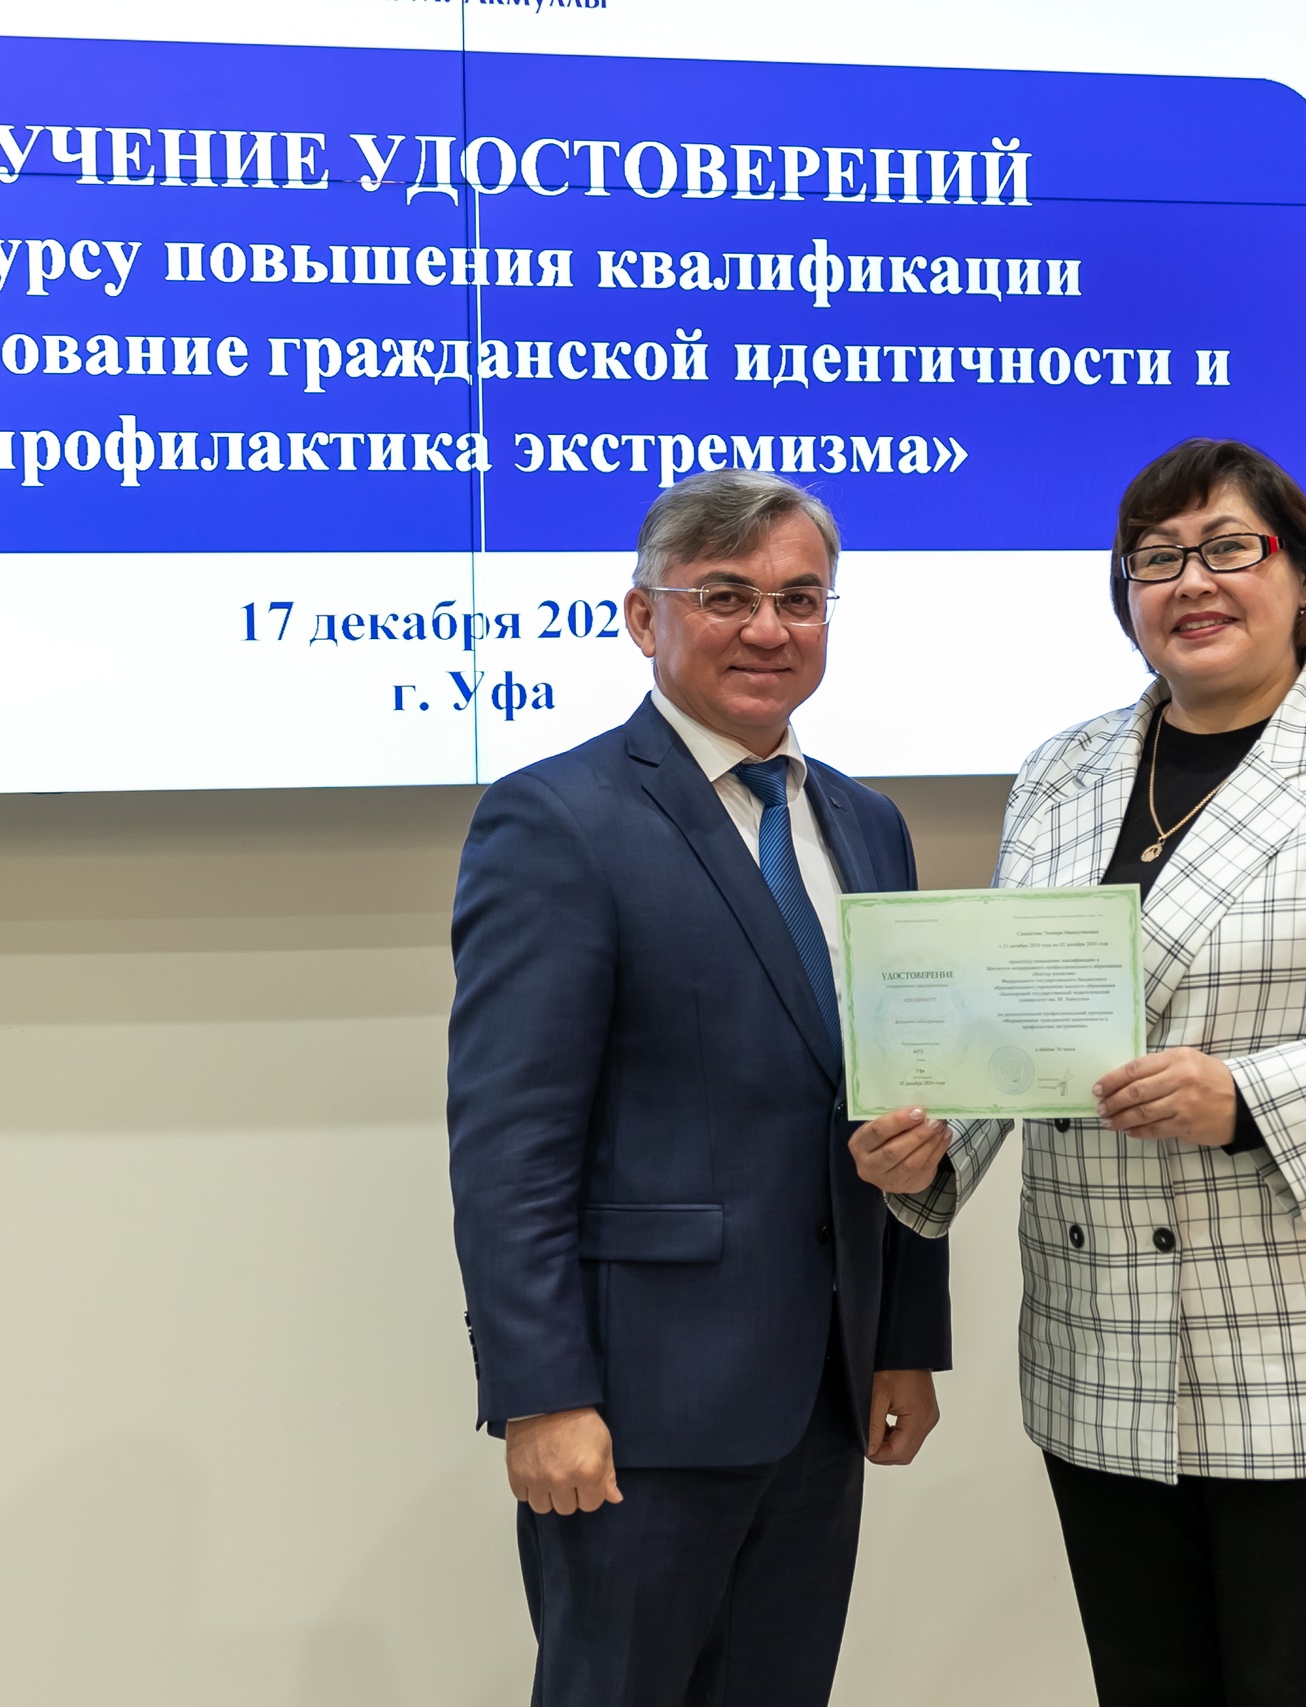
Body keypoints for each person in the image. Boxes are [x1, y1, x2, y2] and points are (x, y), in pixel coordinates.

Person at [853, 439, 1306, 1707]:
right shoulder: (1062, 770)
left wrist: (1250, 1100)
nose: (1191, 582)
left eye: (1229, 548)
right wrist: (933, 1148)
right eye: (1155, 559)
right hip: (1101, 1348)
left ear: (1304, 580)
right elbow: (1020, 1021)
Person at [449, 468, 953, 1707]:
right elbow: (510, 1145)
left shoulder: (868, 824)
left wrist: (903, 1343)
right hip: (637, 1412)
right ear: (643, 617)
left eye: (800, 599)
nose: (767, 629)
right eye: (725, 596)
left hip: (824, 1396)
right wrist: (542, 1396)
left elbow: (902, 1096)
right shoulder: (554, 819)